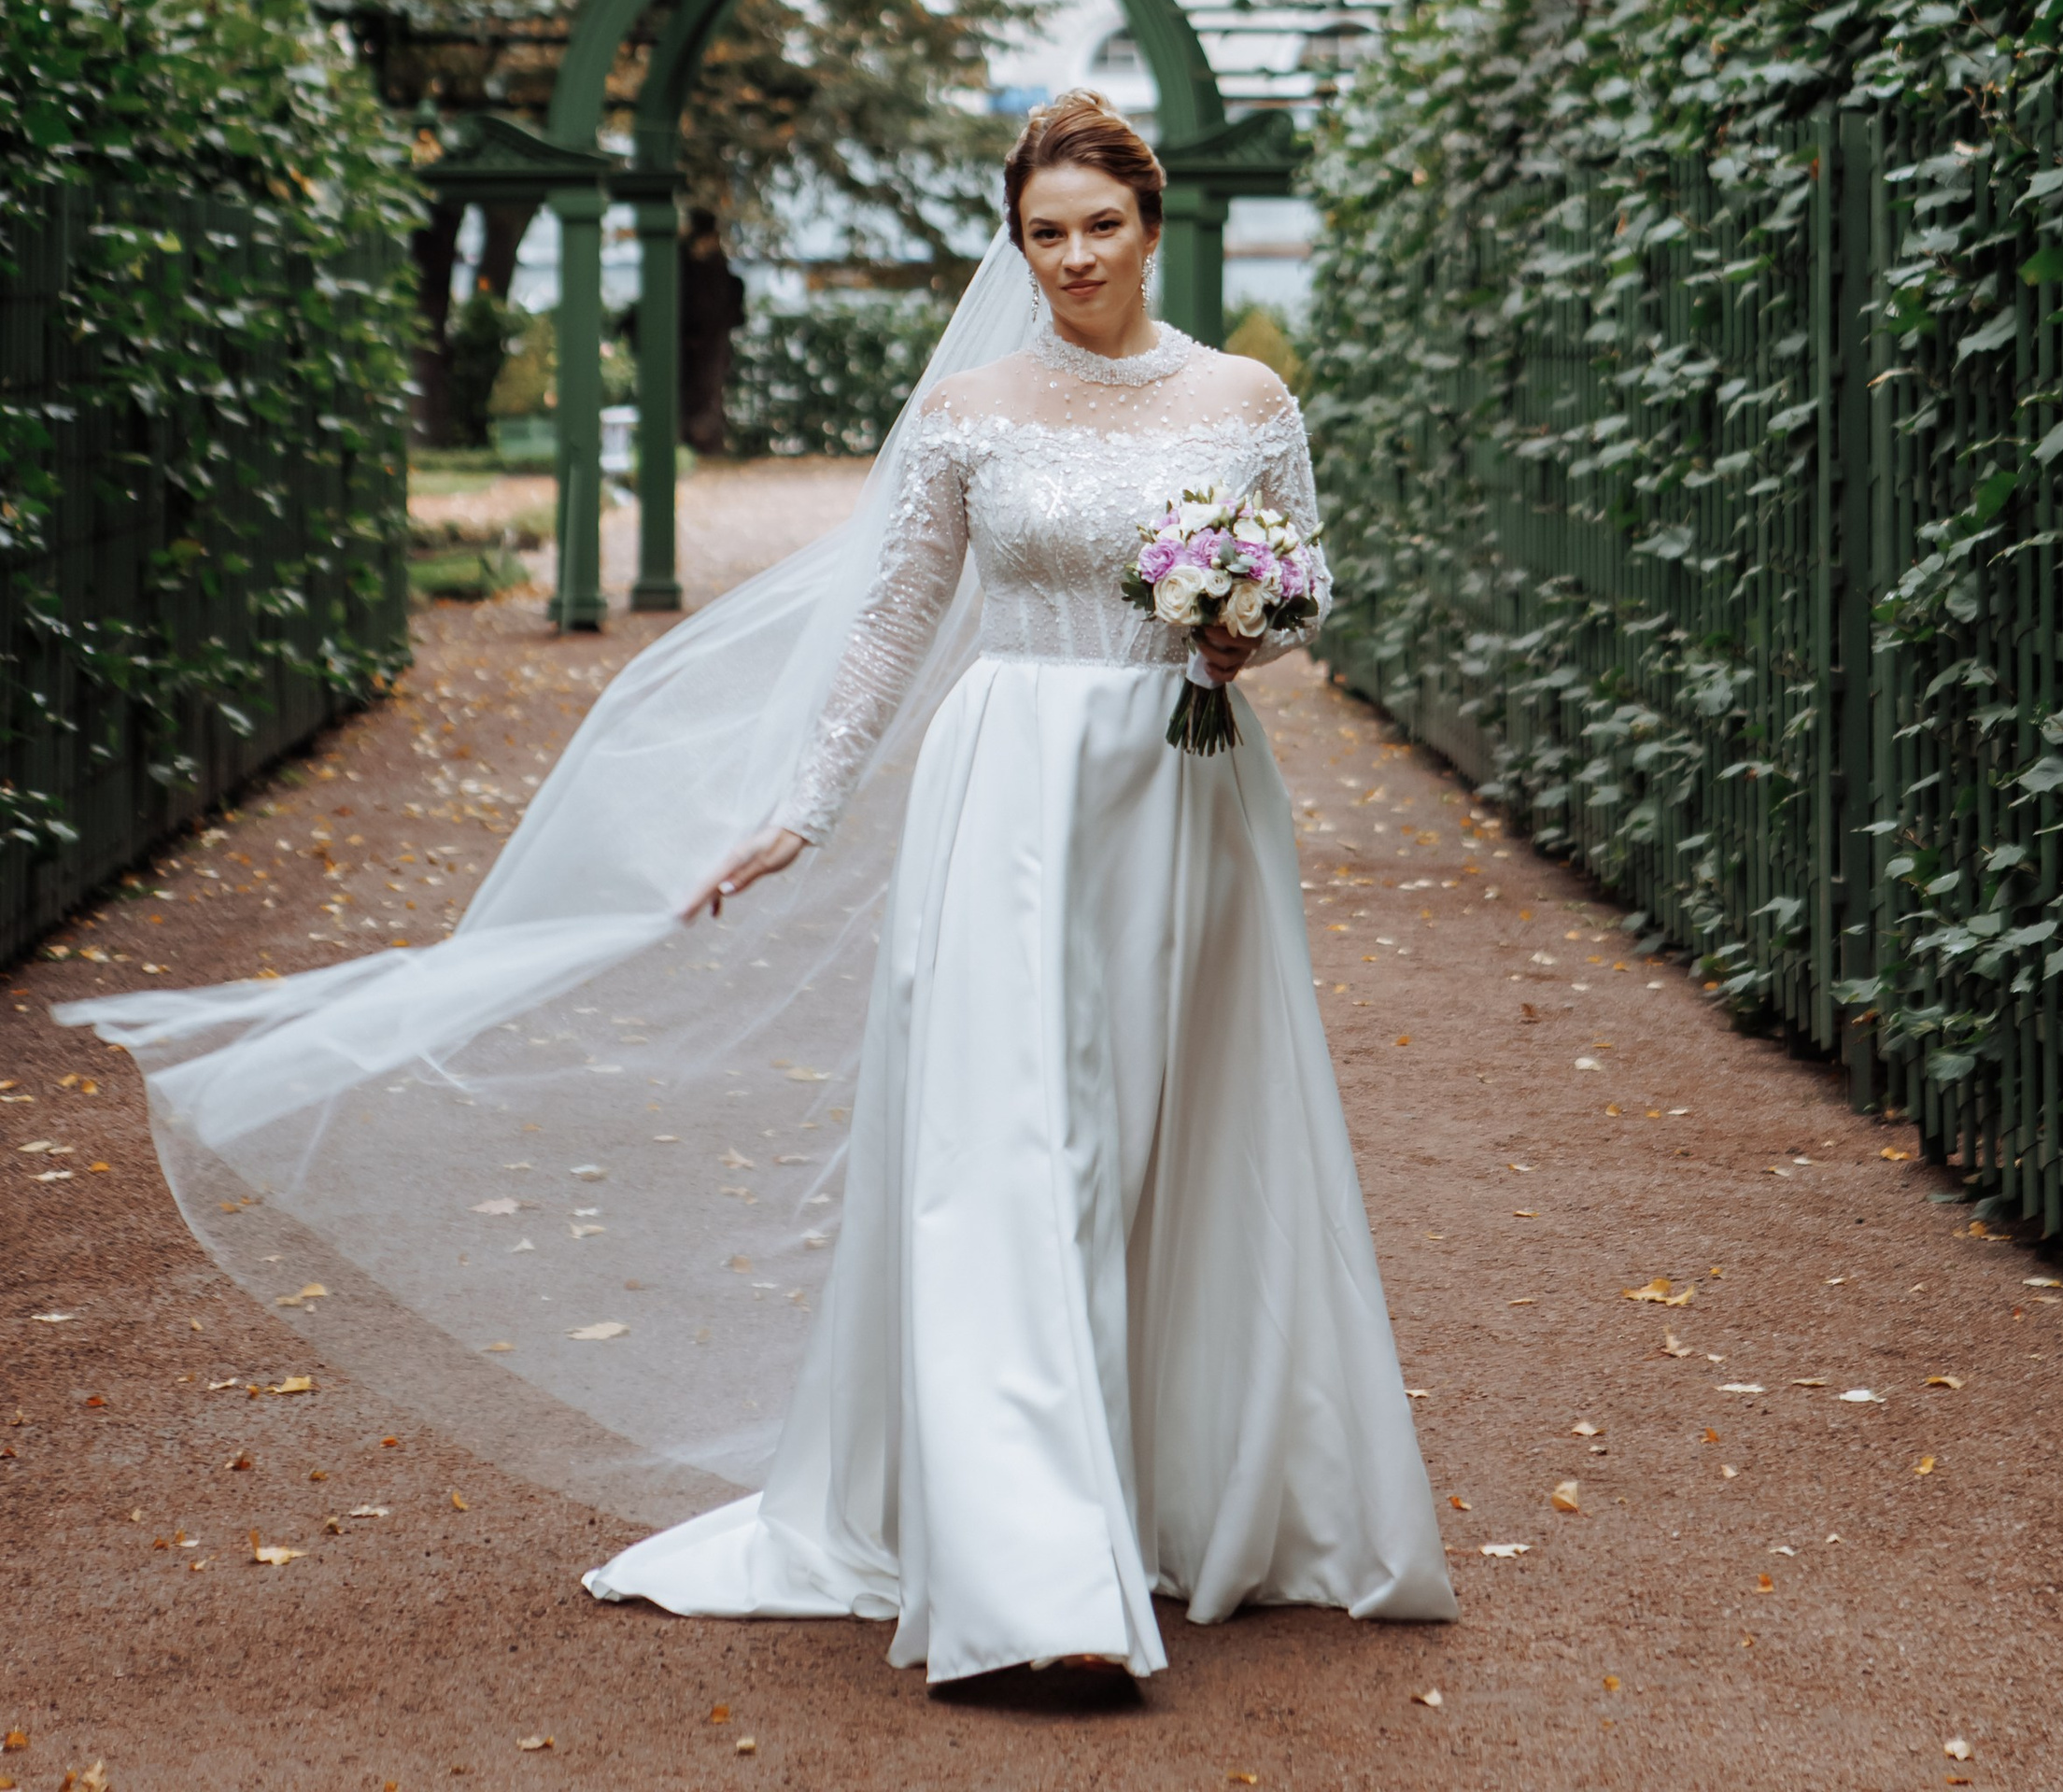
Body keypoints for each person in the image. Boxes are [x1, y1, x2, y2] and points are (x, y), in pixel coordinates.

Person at [58, 94, 1452, 1689]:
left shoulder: (1244, 393)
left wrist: (1242, 633)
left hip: (1188, 789)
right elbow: (891, 621)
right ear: (1017, 243)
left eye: (1100, 225)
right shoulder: (975, 406)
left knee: (1187, 1136)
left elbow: (1300, 587)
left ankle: (1191, 1500)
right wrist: (799, 806)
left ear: (1150, 223)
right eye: (1043, 231)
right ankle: (1033, 1582)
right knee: (1011, 1152)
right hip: (1005, 798)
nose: (1073, 257)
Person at [677, 208, 746, 454]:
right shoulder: (687, 265)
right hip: (691, 345)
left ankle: (703, 443)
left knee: (705, 396)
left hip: (709, 344)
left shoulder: (714, 268)